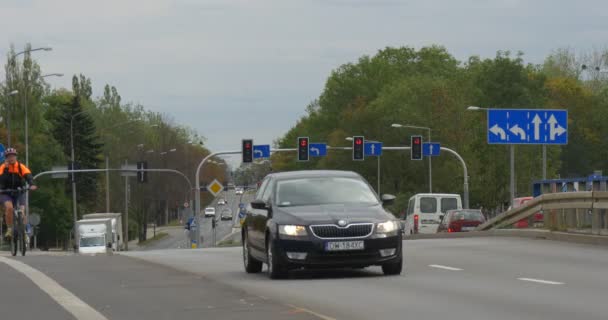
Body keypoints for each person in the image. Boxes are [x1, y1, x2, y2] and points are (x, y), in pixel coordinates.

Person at [0, 148, 37, 238]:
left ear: (16, 157)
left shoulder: (20, 167)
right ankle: (9, 229)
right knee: (9, 208)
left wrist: (32, 184)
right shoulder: (3, 167)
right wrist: (6, 170)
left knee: (22, 211)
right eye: (9, 156)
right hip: (5, 192)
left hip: (19, 191)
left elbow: (28, 176)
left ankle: (24, 231)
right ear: (6, 158)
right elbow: (1, 180)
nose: (11, 158)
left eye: (13, 156)